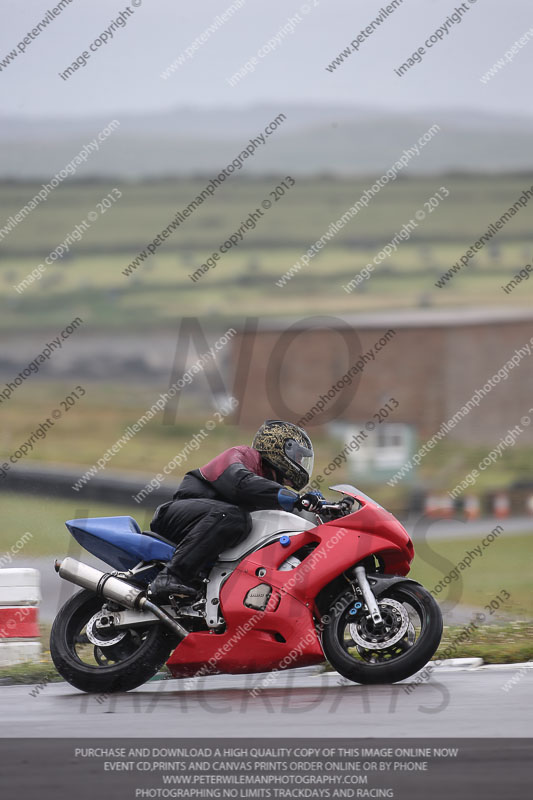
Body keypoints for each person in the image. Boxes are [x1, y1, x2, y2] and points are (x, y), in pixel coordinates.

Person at [147, 419, 321, 601]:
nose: (300, 462)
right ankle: (170, 576)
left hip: (208, 531)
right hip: (178, 518)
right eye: (298, 456)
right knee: (234, 517)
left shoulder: (273, 496)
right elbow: (240, 482)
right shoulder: (244, 456)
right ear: (279, 446)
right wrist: (293, 497)